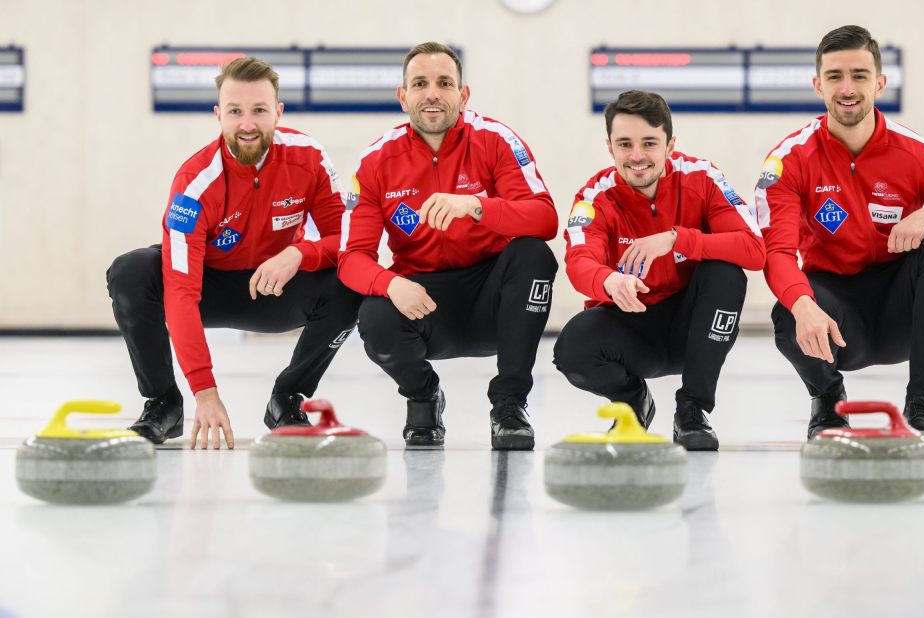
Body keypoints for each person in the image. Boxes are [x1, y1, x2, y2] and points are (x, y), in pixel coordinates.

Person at [755, 25, 924, 448]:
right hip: (836, 317)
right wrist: (802, 304)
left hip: (903, 313)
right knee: (787, 311)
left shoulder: (918, 155)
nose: (847, 88)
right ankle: (828, 402)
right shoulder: (789, 160)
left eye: (859, 75)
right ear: (818, 85)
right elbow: (775, 252)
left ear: (880, 83)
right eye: (834, 76)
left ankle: (922, 406)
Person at [107, 57, 362, 449]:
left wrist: (299, 254)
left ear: (278, 112)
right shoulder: (194, 183)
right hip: (208, 287)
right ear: (218, 115)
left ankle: (287, 399)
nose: (247, 124)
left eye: (259, 110)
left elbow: (344, 241)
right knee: (131, 272)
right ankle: (163, 403)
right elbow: (180, 289)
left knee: (351, 282)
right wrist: (204, 391)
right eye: (235, 111)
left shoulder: (308, 157)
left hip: (274, 287)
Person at [338, 41, 559, 450]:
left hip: (492, 298)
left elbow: (545, 218)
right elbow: (351, 259)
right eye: (420, 83)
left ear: (464, 94)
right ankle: (423, 398)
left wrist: (476, 206)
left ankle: (509, 405)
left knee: (533, 255)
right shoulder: (375, 161)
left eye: (444, 82)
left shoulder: (495, 139)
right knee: (372, 314)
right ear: (403, 96)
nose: (433, 93)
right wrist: (391, 285)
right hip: (422, 299)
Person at [553, 90, 766, 450]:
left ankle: (693, 410)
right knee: (572, 350)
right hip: (633, 326)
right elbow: (579, 261)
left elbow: (754, 249)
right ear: (610, 149)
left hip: (694, 326)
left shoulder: (703, 178)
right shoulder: (594, 196)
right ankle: (634, 401)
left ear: (670, 145)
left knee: (726, 274)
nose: (637, 156)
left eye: (649, 143)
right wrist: (609, 279)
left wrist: (676, 239)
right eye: (625, 144)